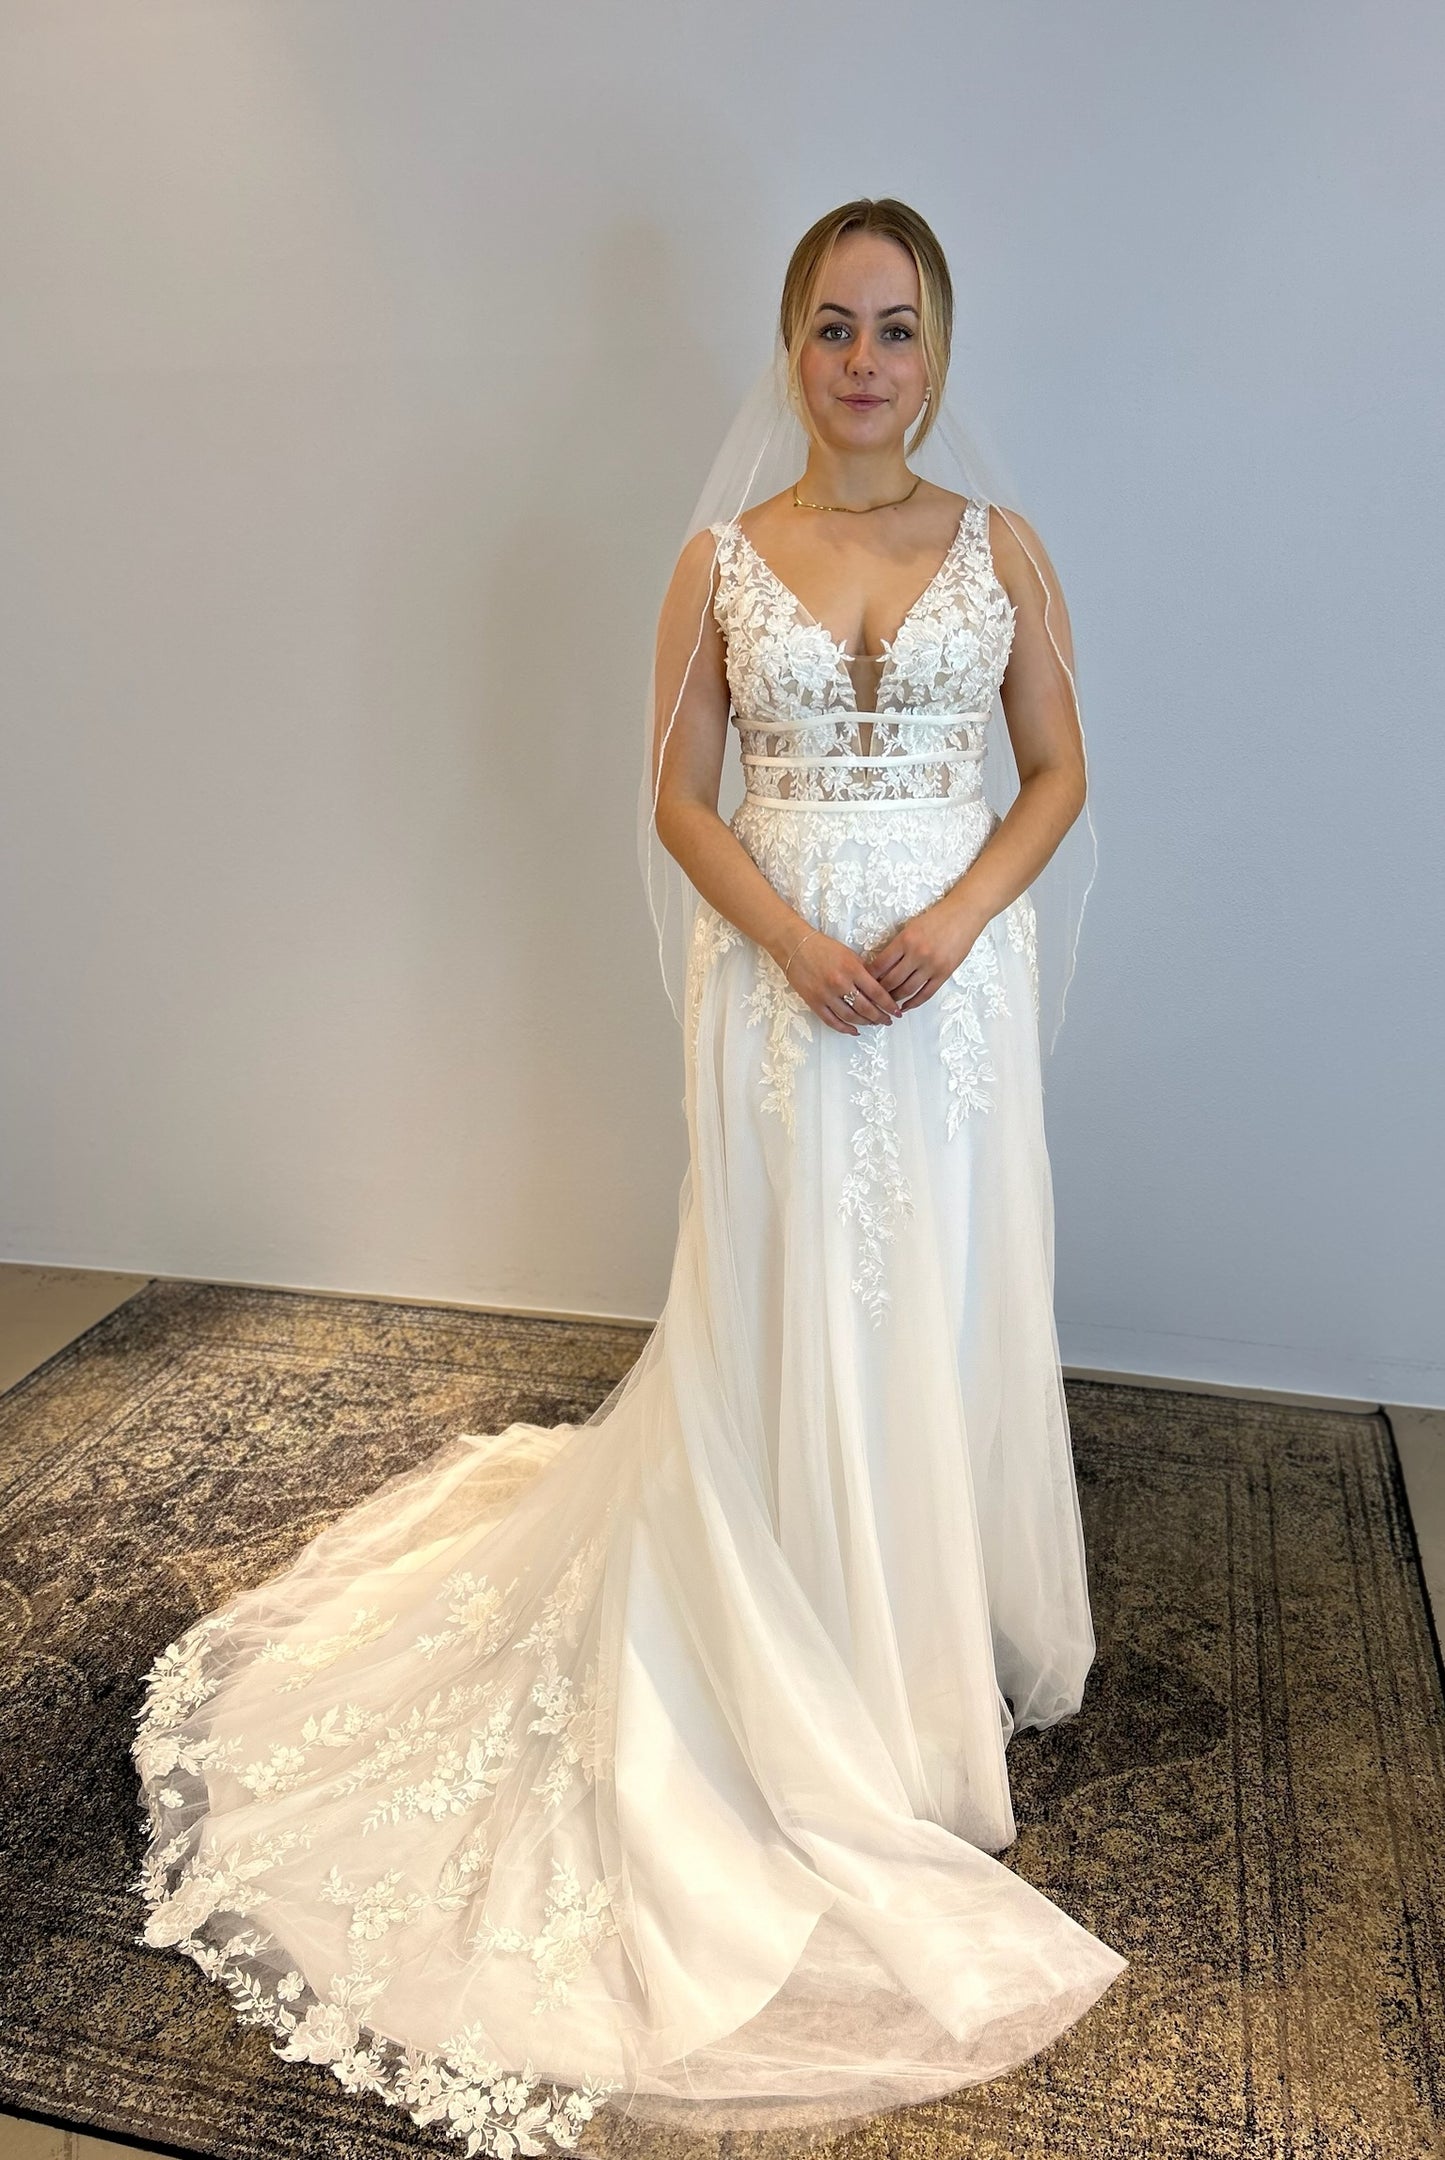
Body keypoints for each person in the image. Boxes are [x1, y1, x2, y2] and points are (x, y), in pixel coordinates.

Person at [131, 198, 1126, 2160]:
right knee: (781, 1306)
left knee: (931, 1298)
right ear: (789, 347)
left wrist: (953, 921)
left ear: (938, 352)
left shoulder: (1003, 550)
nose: (862, 361)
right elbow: (675, 797)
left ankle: (911, 1646)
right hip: (780, 996)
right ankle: (784, 1644)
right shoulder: (719, 561)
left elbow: (1058, 772)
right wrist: (792, 942)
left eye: (895, 328)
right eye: (831, 325)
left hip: (948, 1000)